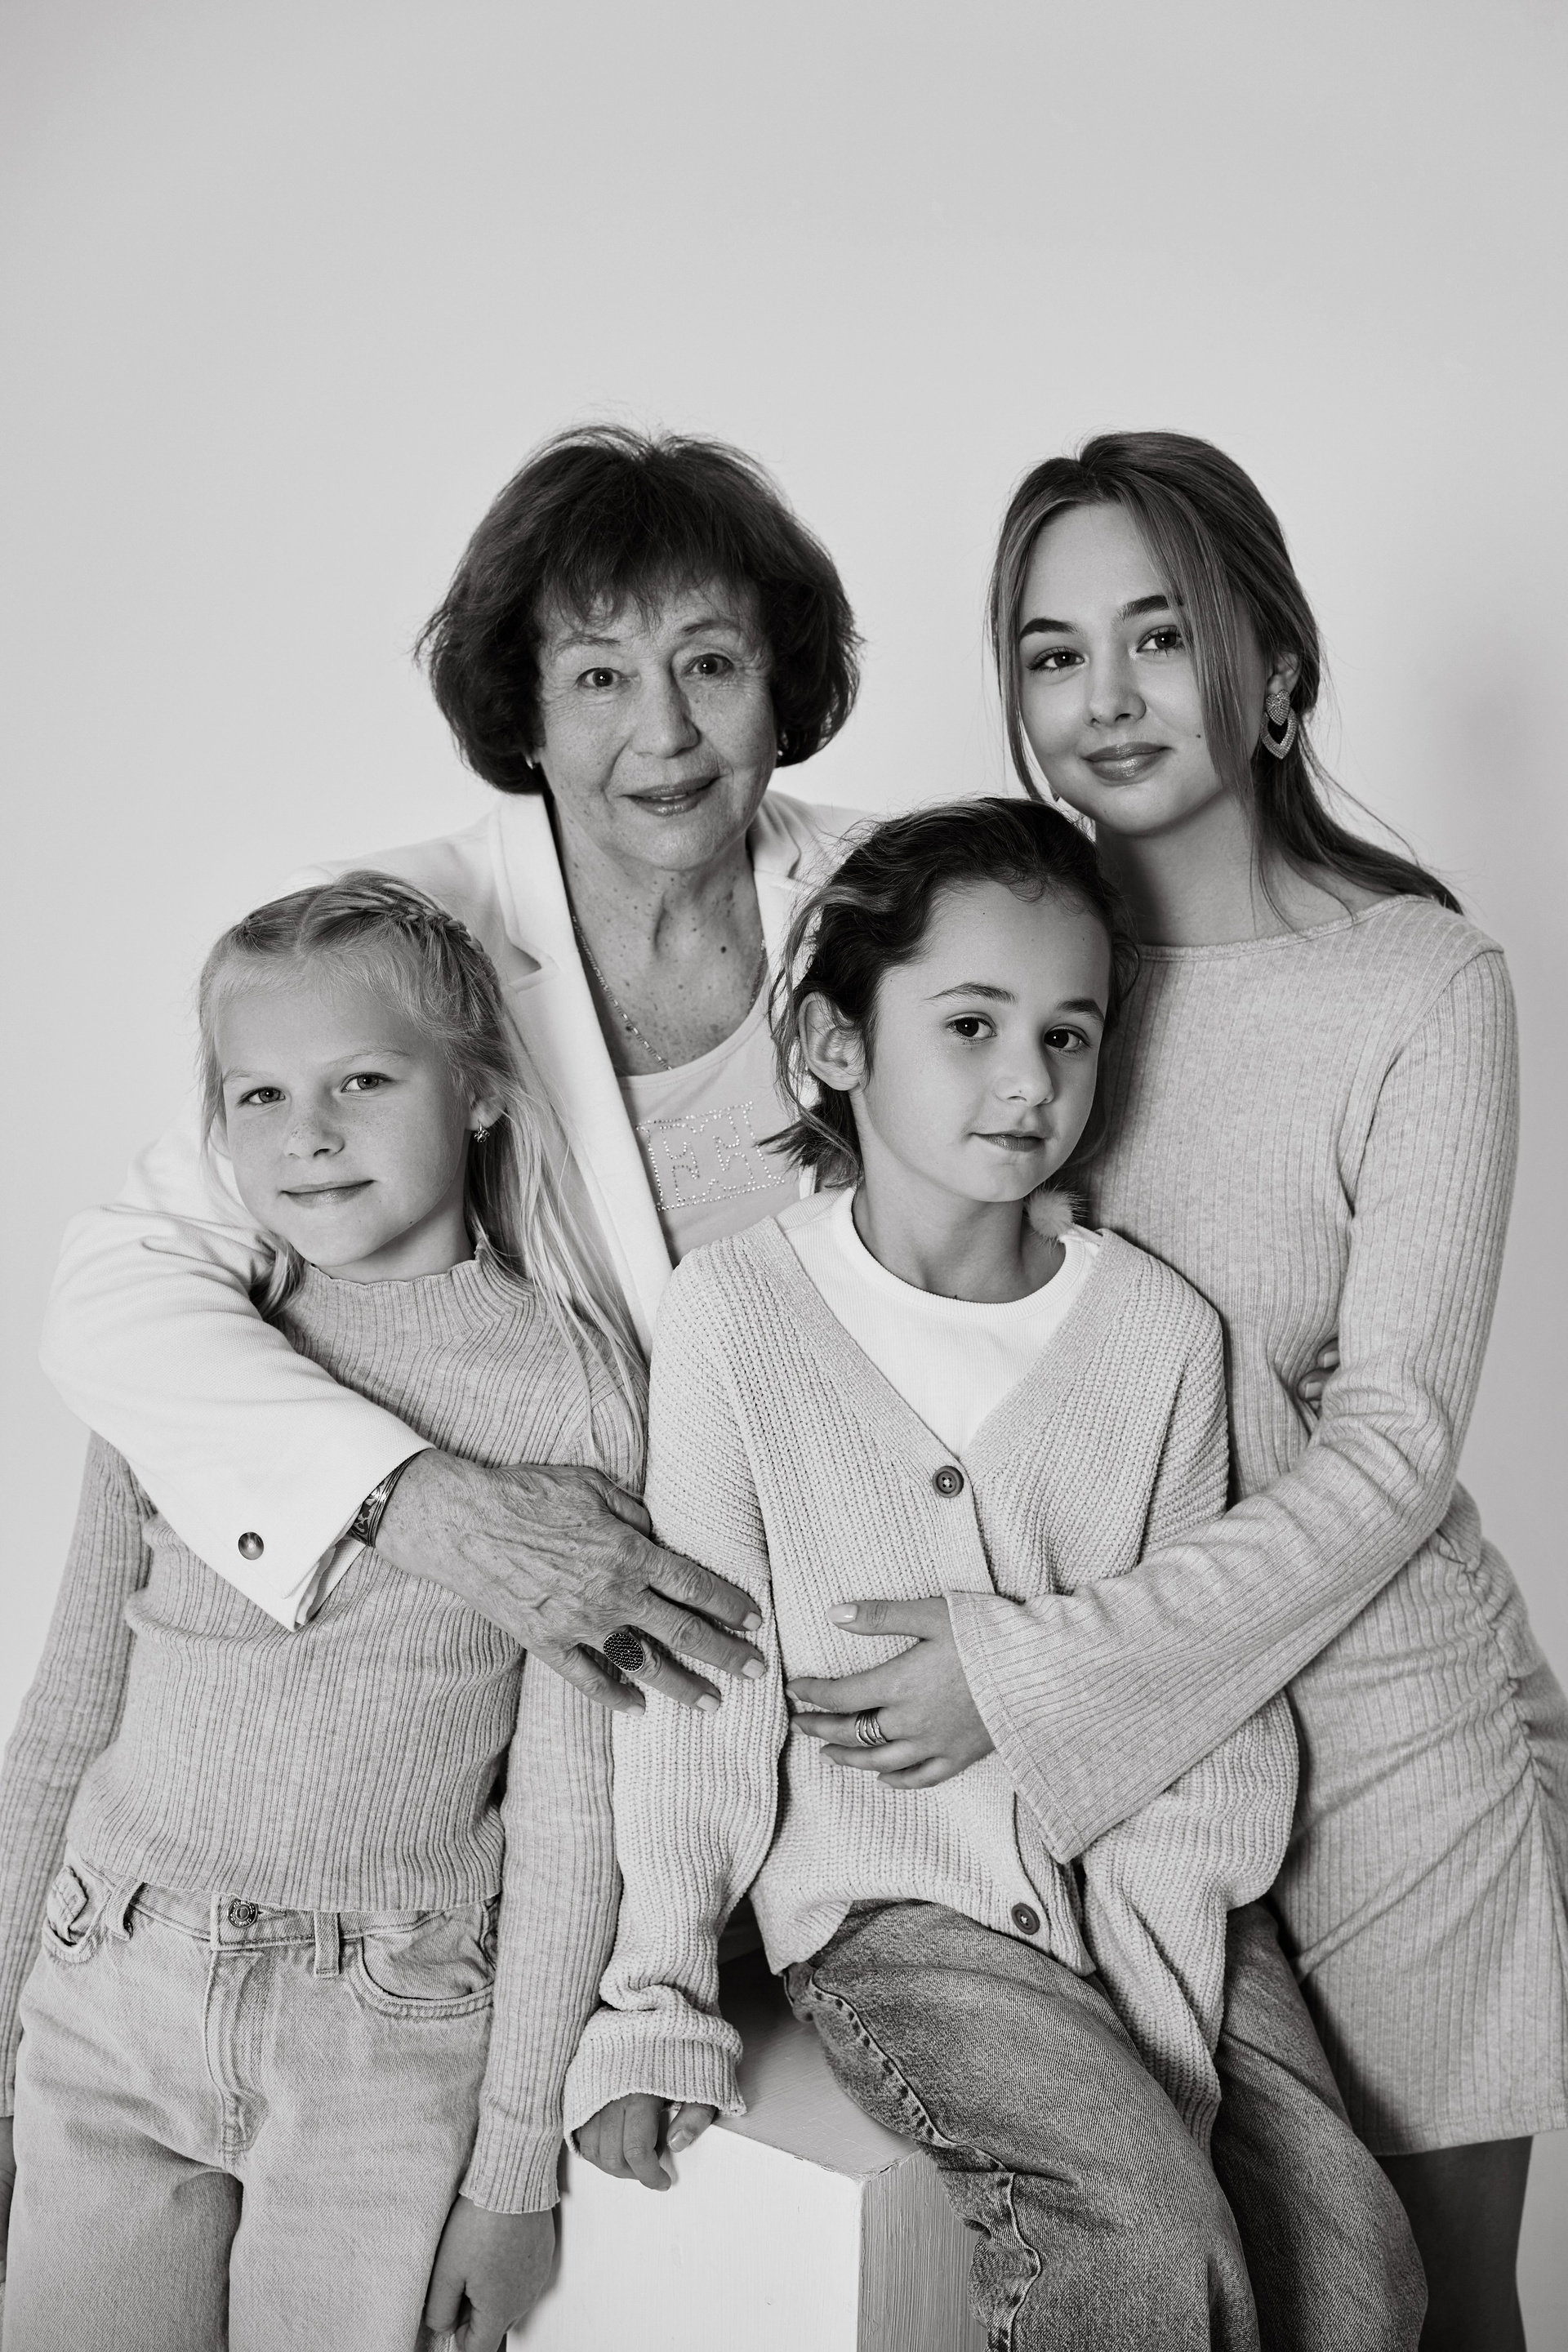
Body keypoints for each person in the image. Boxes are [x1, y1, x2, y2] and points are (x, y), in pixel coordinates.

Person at [800, 433, 1568, 2352]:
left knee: (1431, 2308)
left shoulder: (1420, 987)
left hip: (1379, 1754)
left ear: (1275, 670)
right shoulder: (1007, 967)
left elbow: (1394, 1450)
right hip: (1118, 1796)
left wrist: (1030, 1673)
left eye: (1161, 636)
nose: (1109, 696)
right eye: (1054, 653)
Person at [566, 801, 1424, 2352]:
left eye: (1068, 1035)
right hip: (901, 1907)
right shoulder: (735, 1319)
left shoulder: (1160, 1336)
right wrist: (656, 1996)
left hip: (1162, 1895)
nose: (1030, 1080)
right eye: (971, 1025)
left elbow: (1201, 1685)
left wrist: (1162, 1988)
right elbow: (701, 1690)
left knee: (1358, 2264)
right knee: (1139, 2229)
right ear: (835, 1043)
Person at [38, 425, 866, 1706]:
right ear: (523, 711)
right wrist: (414, 1505)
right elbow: (120, 1286)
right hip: (541, 1690)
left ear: (781, 684)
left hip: (860, 1621)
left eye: (710, 664)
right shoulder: (390, 947)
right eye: (598, 677)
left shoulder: (898, 902)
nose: (665, 732)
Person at [0, 876, 641, 2350]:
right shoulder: (189, 1351)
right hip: (106, 1989)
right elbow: (65, 1715)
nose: (308, 1133)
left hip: (383, 2035)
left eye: (362, 1080)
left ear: (478, 1092)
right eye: (261, 1096)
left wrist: (514, 2167)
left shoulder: (575, 1397)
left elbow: (568, 1813)